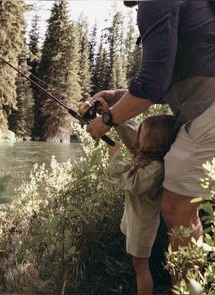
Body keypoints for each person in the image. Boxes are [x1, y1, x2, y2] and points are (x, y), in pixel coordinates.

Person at [86, 0, 215, 258]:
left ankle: (190, 288)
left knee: (177, 207)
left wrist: (105, 121)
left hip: (207, 110)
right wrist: (116, 96)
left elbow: (151, 85)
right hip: (203, 105)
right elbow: (171, 84)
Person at [105, 113, 176, 295]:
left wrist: (115, 158)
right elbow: (130, 134)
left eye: (142, 134)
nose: (138, 137)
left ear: (154, 140)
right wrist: (111, 117)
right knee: (138, 265)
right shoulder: (147, 156)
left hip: (143, 225)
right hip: (134, 219)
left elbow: (133, 184)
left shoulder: (156, 167)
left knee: (141, 268)